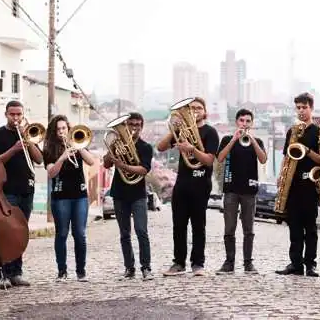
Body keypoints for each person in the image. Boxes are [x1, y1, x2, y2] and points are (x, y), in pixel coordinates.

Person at [157, 97, 220, 276]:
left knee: (198, 225)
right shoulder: (181, 131)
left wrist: (191, 149)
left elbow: (208, 161)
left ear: (205, 112)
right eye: (191, 108)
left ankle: (198, 264)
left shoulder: (210, 132)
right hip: (182, 183)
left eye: (199, 108)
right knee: (179, 225)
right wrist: (173, 129)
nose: (195, 111)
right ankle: (178, 263)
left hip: (201, 183)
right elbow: (160, 147)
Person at [0, 100, 43, 287]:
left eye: (19, 114)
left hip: (27, 189)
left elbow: (39, 159)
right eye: (12, 114)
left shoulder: (28, 134)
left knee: (20, 233)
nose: (16, 118)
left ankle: (16, 272)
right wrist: (14, 149)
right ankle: (3, 273)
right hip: (7, 191)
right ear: (6, 114)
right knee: (6, 233)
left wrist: (29, 143)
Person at [275, 93, 320, 277]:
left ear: (311, 108)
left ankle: (310, 264)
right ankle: (296, 264)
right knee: (294, 226)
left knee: (310, 227)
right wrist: (281, 176)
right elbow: (287, 157)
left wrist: (307, 151)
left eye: (304, 107)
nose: (301, 111)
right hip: (292, 183)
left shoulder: (319, 132)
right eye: (298, 108)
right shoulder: (292, 131)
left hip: (310, 183)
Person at [43, 115, 94, 282]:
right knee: (62, 234)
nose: (61, 132)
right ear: (53, 132)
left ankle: (81, 271)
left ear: (68, 128)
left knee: (80, 234)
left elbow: (91, 161)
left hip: (79, 195)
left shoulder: (77, 143)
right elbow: (51, 173)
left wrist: (77, 146)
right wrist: (62, 157)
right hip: (61, 196)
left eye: (64, 128)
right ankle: (62, 271)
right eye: (58, 129)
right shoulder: (49, 149)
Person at [103, 112, 154, 280]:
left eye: (137, 125)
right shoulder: (118, 144)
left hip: (138, 193)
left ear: (142, 127)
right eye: (131, 124)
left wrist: (123, 165)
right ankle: (129, 268)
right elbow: (106, 164)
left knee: (141, 231)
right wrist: (111, 153)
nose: (134, 128)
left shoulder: (146, 147)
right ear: (125, 126)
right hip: (119, 193)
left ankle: (146, 267)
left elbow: (144, 170)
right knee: (124, 233)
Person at [215, 108, 267, 274]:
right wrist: (234, 140)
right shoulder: (227, 139)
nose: (244, 124)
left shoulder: (256, 140)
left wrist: (251, 140)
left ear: (252, 124)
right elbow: (220, 158)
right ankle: (229, 262)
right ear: (236, 122)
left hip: (249, 190)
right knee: (229, 228)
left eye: (248, 121)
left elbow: (263, 159)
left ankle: (248, 263)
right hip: (231, 189)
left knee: (249, 229)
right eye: (242, 121)